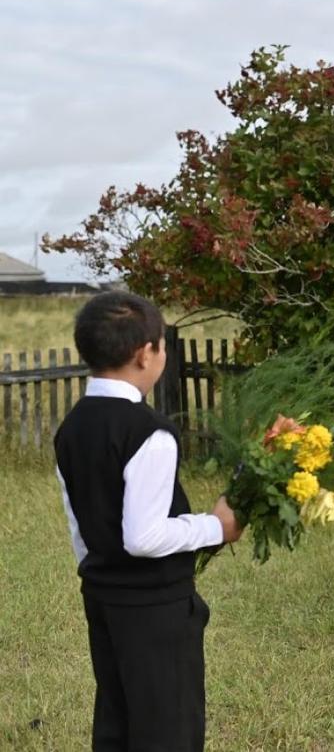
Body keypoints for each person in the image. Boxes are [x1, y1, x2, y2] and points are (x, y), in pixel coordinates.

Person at [53, 291, 243, 751]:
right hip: (154, 608)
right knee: (168, 729)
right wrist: (217, 525)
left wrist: (100, 574)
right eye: (162, 345)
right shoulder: (150, 431)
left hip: (102, 597)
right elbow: (144, 536)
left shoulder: (72, 425)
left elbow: (79, 525)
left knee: (117, 722)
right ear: (146, 354)